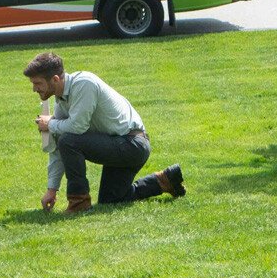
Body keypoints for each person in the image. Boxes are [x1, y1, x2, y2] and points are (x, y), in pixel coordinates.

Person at [24, 51, 183, 214]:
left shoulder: (84, 84)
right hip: (122, 145)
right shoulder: (62, 99)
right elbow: (59, 146)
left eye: (37, 83)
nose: (34, 89)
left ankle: (79, 203)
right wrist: (52, 189)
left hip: (132, 144)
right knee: (111, 200)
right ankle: (165, 180)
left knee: (69, 140)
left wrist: (50, 123)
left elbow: (77, 127)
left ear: (55, 79)